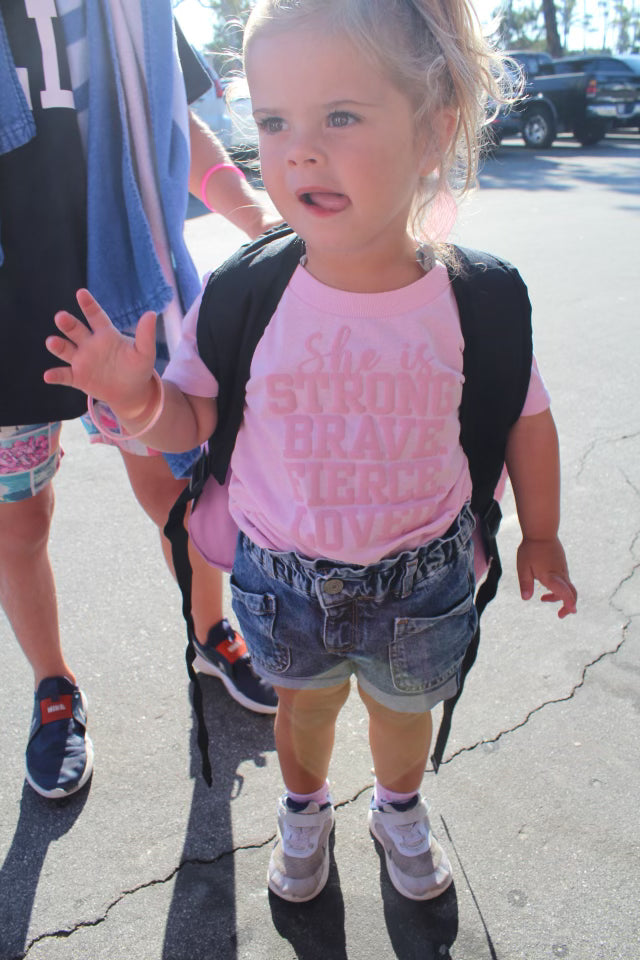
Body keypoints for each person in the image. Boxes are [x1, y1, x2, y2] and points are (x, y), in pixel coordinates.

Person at [43, 0, 578, 904]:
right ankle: (304, 807)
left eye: (340, 116)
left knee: (407, 720)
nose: (297, 151)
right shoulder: (246, 289)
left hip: (427, 576)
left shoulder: (474, 299)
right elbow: (197, 425)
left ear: (435, 126)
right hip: (282, 576)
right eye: (272, 121)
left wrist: (543, 533)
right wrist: (139, 400)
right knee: (304, 711)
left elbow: (527, 416)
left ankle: (398, 808)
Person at [0, 0, 278, 802]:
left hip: (128, 295)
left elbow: (172, 122)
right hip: (10, 319)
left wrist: (257, 217)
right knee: (19, 521)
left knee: (177, 496)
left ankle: (209, 632)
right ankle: (54, 688)